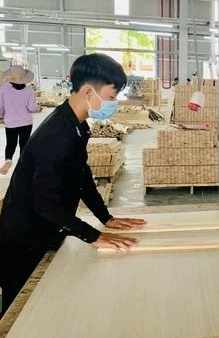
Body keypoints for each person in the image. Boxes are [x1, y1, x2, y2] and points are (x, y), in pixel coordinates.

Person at [0, 53, 145, 316]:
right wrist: (95, 236)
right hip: (23, 239)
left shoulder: (77, 126)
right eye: (111, 97)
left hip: (45, 229)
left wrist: (106, 218)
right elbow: (44, 203)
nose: (114, 104)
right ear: (89, 91)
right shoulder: (57, 135)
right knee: (20, 314)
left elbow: (82, 175)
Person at [0, 66, 42, 175]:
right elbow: (32, 108)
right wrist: (39, 108)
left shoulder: (4, 90)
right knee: (24, 143)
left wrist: (2, 116)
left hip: (10, 122)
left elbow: (1, 107)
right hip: (26, 122)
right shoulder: (29, 91)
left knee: (10, 143)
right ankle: (23, 165)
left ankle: (8, 160)